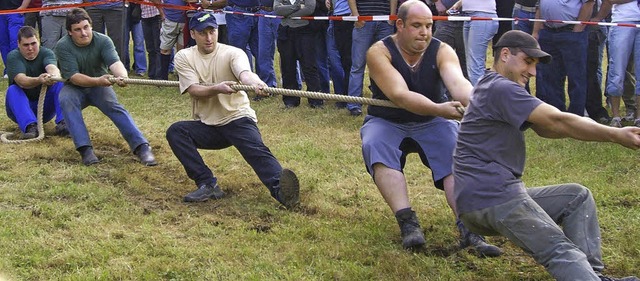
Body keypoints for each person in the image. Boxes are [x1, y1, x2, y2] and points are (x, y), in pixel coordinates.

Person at [454, 30, 640, 281]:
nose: (532, 71)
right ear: (505, 55)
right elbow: (557, 119)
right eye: (528, 62)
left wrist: (578, 128)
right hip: (493, 197)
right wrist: (616, 135)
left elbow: (548, 128)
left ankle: (592, 276)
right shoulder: (501, 89)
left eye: (535, 65)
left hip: (483, 198)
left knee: (577, 197)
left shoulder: (491, 85)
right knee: (560, 250)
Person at [361, 0, 502, 256]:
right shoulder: (379, 52)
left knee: (454, 154)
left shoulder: (442, 50)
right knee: (375, 144)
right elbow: (399, 94)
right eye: (417, 26)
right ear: (400, 25)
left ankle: (470, 229)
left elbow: (459, 86)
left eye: (428, 25)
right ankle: (408, 224)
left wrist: (479, 106)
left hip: (432, 123)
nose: (425, 32)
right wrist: (440, 109)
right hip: (387, 120)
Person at [166, 11, 300, 208]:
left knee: (257, 152)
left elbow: (245, 73)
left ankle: (283, 193)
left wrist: (257, 83)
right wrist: (217, 88)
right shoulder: (184, 57)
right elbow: (194, 90)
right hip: (209, 125)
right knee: (176, 132)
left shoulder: (233, 53)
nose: (209, 38)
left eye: (212, 31)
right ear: (193, 34)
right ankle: (207, 183)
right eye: (203, 33)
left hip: (237, 118)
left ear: (217, 30)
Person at [55, 8, 157, 166]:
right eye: (77, 30)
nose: (83, 33)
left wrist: (122, 76)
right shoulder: (62, 46)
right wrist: (98, 81)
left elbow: (115, 63)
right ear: (69, 32)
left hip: (100, 87)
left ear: (91, 26)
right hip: (75, 86)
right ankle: (85, 149)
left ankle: (142, 147)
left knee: (114, 107)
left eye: (86, 27)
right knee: (66, 99)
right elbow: (74, 77)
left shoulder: (103, 40)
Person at [533, 0, 594, 115]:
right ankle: (556, 115)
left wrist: (578, 28)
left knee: (576, 77)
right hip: (548, 32)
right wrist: (537, 30)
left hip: (571, 32)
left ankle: (576, 116)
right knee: (550, 76)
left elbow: (589, 3)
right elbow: (540, 5)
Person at [5, 26, 66, 139]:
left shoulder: (47, 53)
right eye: (26, 45)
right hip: (20, 108)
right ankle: (30, 126)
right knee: (13, 90)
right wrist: (39, 79)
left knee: (59, 82)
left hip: (44, 109)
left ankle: (64, 123)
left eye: (33, 43)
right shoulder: (13, 56)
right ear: (18, 44)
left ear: (39, 41)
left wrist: (52, 76)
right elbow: (21, 80)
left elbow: (52, 67)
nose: (30, 48)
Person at [346, 0, 397, 116]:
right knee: (358, 65)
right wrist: (356, 17)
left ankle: (383, 102)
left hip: (385, 22)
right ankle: (354, 104)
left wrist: (391, 18)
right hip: (364, 21)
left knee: (384, 66)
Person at [0, 0, 30, 77]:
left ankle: (17, 69)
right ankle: (8, 70)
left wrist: (23, 7)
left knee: (15, 41)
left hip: (15, 11)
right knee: (3, 43)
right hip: (1, 13)